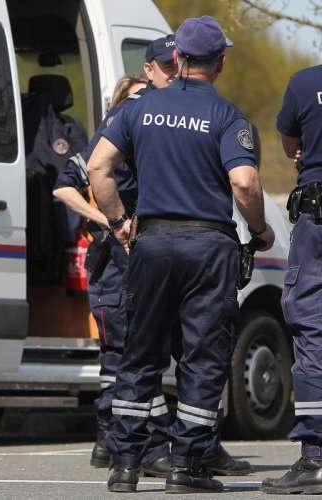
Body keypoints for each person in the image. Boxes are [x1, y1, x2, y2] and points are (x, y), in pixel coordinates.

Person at [88, 16, 275, 494]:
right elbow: (245, 182)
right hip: (208, 246)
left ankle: (125, 463)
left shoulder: (138, 109)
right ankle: (186, 465)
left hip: (150, 244)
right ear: (221, 63)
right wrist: (259, 228)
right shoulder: (229, 117)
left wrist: (117, 222)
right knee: (202, 356)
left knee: (140, 353)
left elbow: (97, 166)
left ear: (177, 60)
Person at [54, 75, 174, 476]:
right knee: (130, 357)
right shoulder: (105, 143)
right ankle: (143, 444)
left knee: (123, 358)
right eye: (136, 99)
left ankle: (110, 441)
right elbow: (63, 189)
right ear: (120, 105)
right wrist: (107, 218)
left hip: (133, 259)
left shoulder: (142, 146)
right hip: (114, 262)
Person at [261, 63, 322, 495]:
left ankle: (316, 457)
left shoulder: (305, 83)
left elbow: (290, 144)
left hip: (318, 221)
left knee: (312, 325)